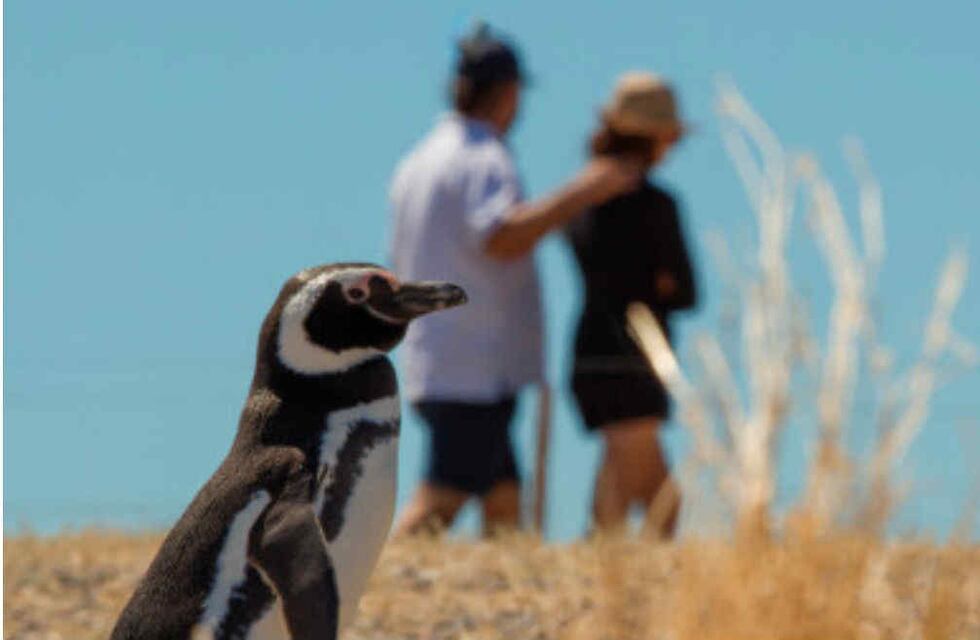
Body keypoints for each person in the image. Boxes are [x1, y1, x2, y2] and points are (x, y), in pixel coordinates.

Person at [388, 24, 645, 535]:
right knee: (442, 496)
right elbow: (501, 235)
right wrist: (586, 190)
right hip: (472, 366)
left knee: (503, 499)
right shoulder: (482, 159)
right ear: (509, 93)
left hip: (441, 357)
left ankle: (498, 578)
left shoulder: (420, 160)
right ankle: (376, 577)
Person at [565, 72, 697, 537]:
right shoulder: (656, 205)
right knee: (662, 505)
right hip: (636, 356)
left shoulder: (579, 199)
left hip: (590, 352)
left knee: (618, 496)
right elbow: (686, 292)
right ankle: (614, 577)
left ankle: (602, 574)